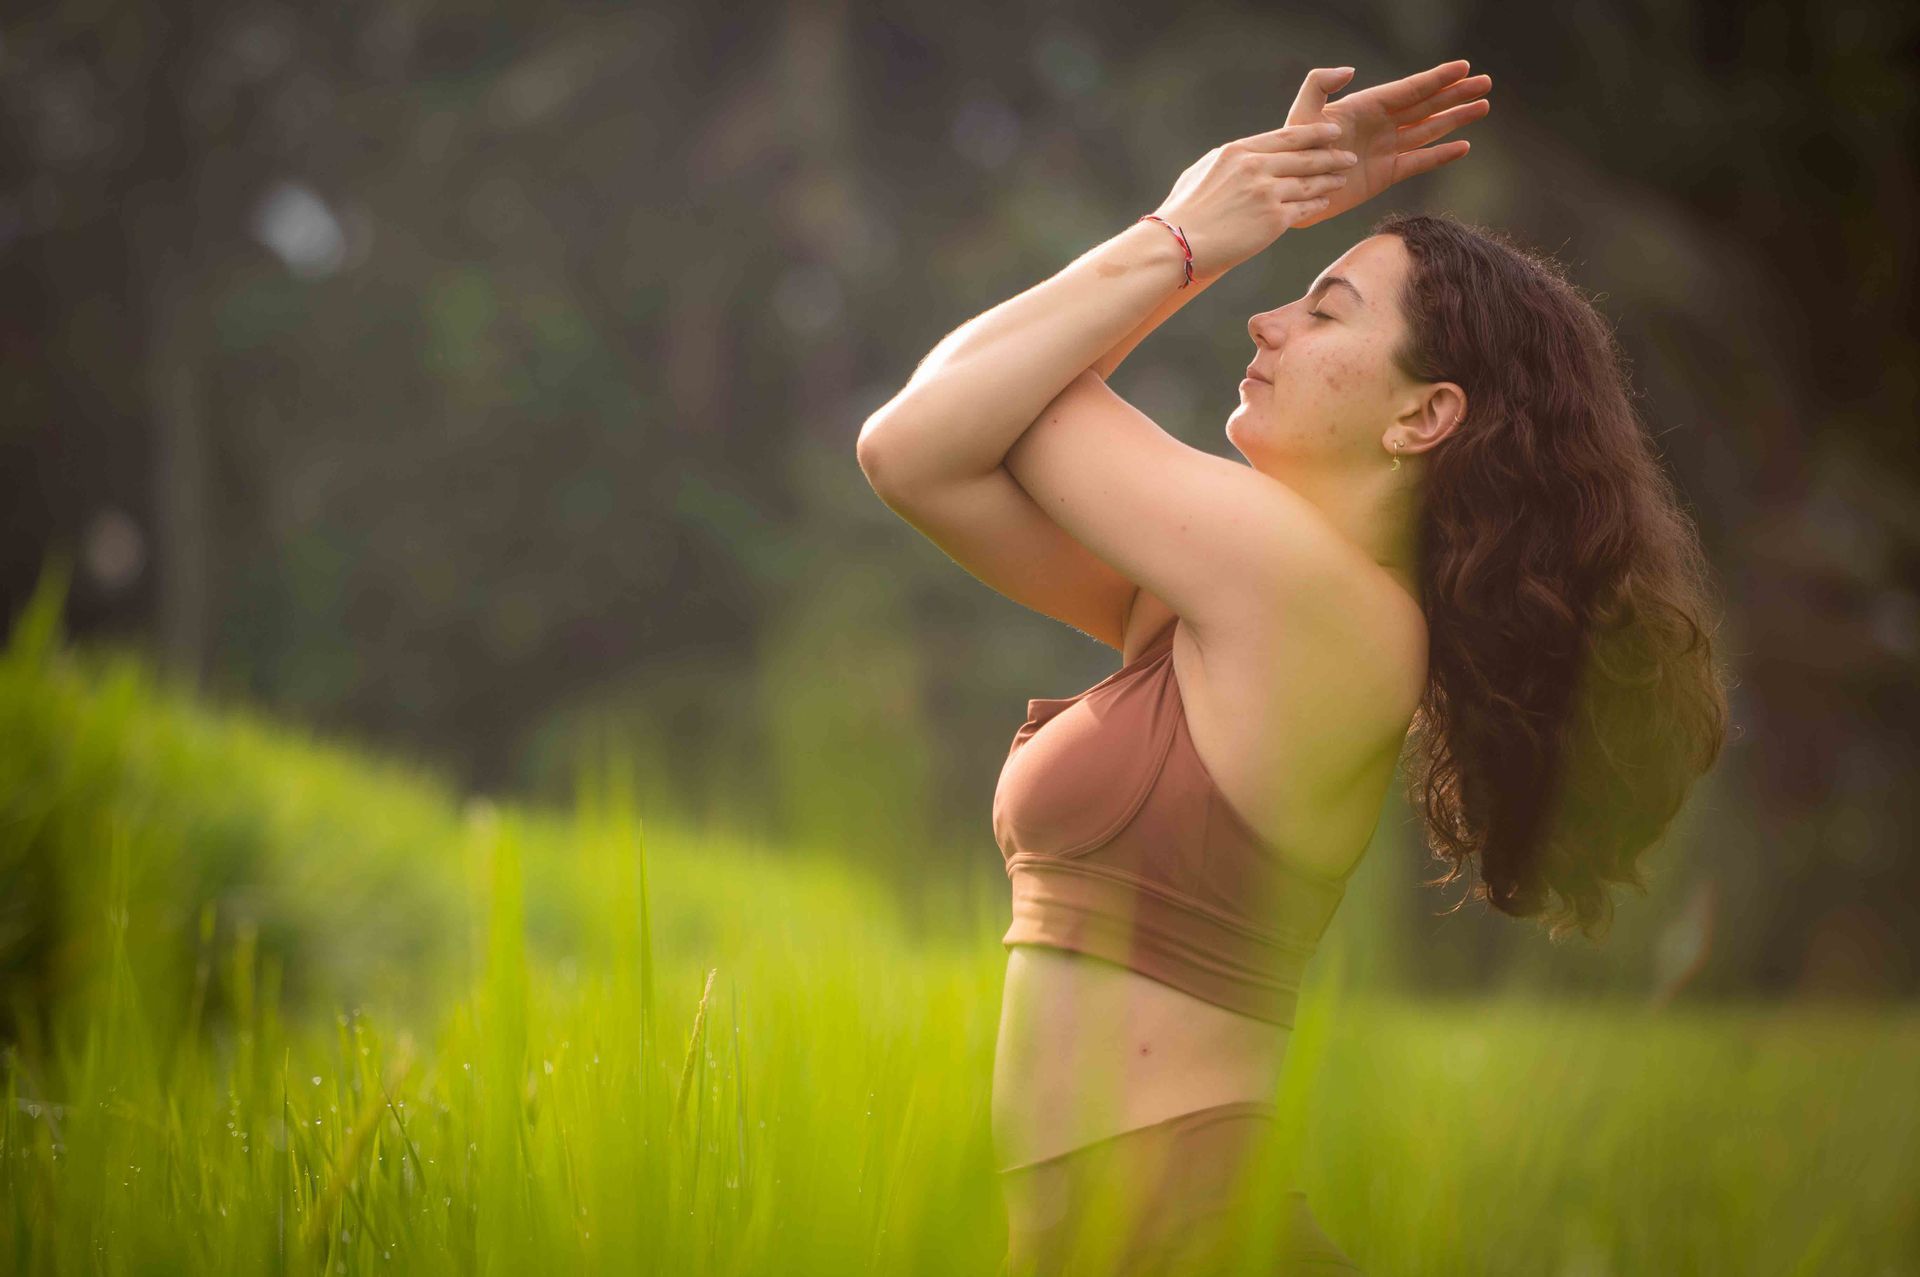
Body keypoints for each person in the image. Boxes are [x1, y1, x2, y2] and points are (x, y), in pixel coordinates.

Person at [856, 59, 1729, 1276]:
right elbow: (937, 445)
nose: (1266, 322)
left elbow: (927, 428)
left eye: (1324, 310)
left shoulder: (1314, 601)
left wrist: (1201, 223)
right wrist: (1206, 222)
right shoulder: (1221, 606)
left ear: (1424, 416)